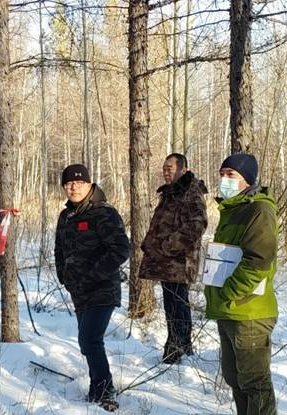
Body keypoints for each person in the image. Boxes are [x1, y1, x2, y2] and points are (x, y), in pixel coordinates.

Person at [205, 153, 278, 415]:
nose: (224, 179)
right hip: (230, 309)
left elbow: (259, 260)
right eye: (222, 174)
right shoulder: (233, 208)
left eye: (231, 174)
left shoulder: (258, 210)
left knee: (254, 383)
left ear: (247, 178)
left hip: (249, 311)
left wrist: (228, 291)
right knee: (235, 379)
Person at [54, 164, 130, 411]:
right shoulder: (66, 216)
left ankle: (105, 391)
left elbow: (121, 249)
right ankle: (98, 388)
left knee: (90, 339)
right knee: (87, 342)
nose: (73, 188)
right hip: (78, 291)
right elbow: (59, 249)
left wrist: (93, 274)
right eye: (68, 184)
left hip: (102, 289)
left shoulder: (104, 213)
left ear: (89, 185)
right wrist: (64, 276)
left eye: (79, 183)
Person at [139, 153, 208, 364]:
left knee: (178, 305)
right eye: (164, 168)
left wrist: (168, 246)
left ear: (183, 169)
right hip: (167, 263)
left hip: (179, 262)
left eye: (170, 168)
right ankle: (178, 348)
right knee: (172, 305)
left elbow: (197, 224)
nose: (165, 172)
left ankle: (179, 350)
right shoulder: (171, 192)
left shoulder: (191, 192)